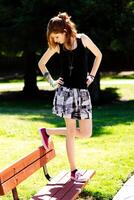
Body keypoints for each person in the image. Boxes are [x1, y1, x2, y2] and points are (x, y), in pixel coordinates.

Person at [38, 12, 102, 182]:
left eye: (57, 36)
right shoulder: (58, 47)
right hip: (65, 93)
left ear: (65, 30)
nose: (56, 40)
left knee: (86, 133)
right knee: (72, 132)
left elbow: (99, 55)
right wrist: (51, 82)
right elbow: (41, 63)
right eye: (53, 38)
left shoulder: (83, 39)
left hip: (82, 93)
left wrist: (92, 76)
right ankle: (74, 171)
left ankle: (47, 131)